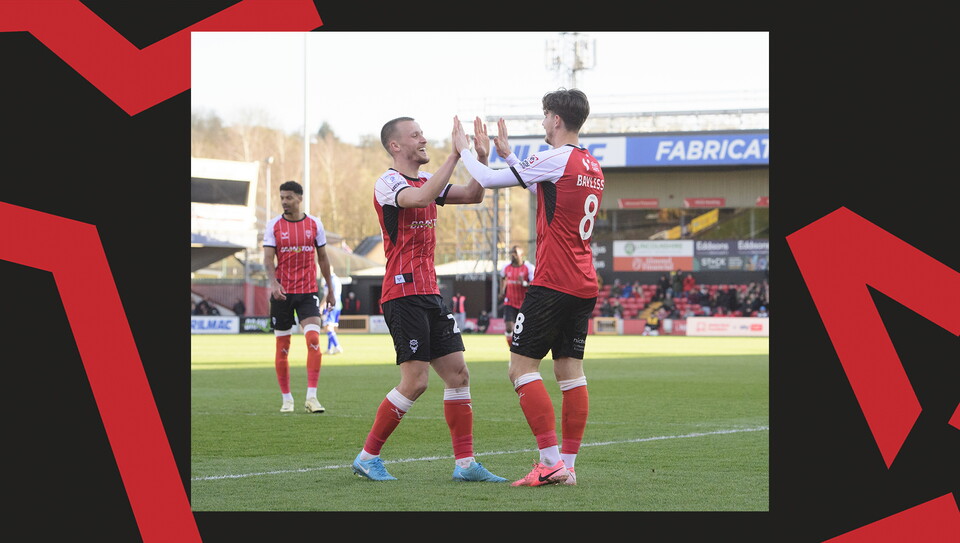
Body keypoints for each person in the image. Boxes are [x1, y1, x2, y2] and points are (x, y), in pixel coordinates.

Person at [453, 88, 602, 486]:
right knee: (571, 375)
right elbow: (546, 189)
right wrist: (510, 157)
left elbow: (485, 180)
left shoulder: (555, 157)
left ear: (555, 119)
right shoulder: (591, 164)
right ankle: (566, 466)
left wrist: (464, 151)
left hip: (553, 281)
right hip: (584, 281)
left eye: (544, 116)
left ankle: (550, 460)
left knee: (520, 369)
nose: (542, 123)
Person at [351, 116, 506, 483]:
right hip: (402, 293)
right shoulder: (389, 183)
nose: (424, 139)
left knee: (458, 375)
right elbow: (419, 199)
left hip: (429, 293)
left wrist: (478, 158)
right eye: (415, 135)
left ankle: (465, 465)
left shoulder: (425, 181)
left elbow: (473, 194)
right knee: (416, 381)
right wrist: (456, 154)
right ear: (395, 146)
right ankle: (367, 456)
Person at [263, 180, 338, 414]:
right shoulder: (273, 225)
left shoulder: (315, 224)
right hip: (282, 294)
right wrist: (273, 282)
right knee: (283, 347)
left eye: (288, 197)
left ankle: (312, 398)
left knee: (313, 341)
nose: (284, 202)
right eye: (282, 197)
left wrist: (330, 289)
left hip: (307, 293)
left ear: (299, 198)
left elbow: (323, 258)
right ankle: (287, 399)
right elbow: (267, 259)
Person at [499, 245, 535, 348]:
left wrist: (523, 283)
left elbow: (534, 284)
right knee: (509, 327)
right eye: (511, 253)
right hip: (509, 301)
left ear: (521, 255)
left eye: (515, 253)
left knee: (524, 330)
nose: (513, 255)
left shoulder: (529, 267)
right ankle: (512, 350)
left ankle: (522, 349)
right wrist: (502, 291)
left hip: (524, 303)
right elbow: (502, 278)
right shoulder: (506, 267)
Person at [322, 271, 343, 354]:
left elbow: (328, 294)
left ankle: (337, 346)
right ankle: (329, 349)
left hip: (331, 305)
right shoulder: (337, 279)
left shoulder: (329, 281)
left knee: (327, 327)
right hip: (338, 305)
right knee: (330, 327)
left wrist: (321, 306)